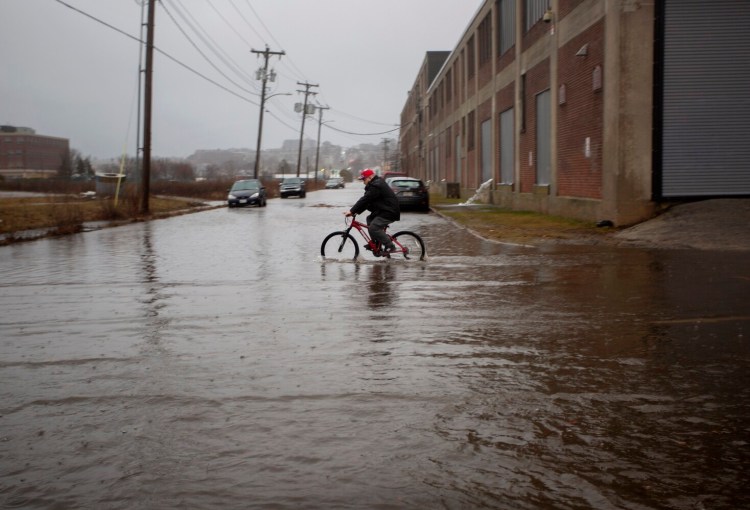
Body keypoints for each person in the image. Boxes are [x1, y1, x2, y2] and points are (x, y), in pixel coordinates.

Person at [344, 168, 401, 254]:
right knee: (369, 219)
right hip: (384, 210)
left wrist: (352, 211)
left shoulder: (376, 185)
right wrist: (355, 212)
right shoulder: (374, 185)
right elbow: (367, 202)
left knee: (373, 228)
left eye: (364, 179)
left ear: (370, 177)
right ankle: (375, 243)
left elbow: (365, 199)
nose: (363, 182)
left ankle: (391, 246)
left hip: (390, 212)